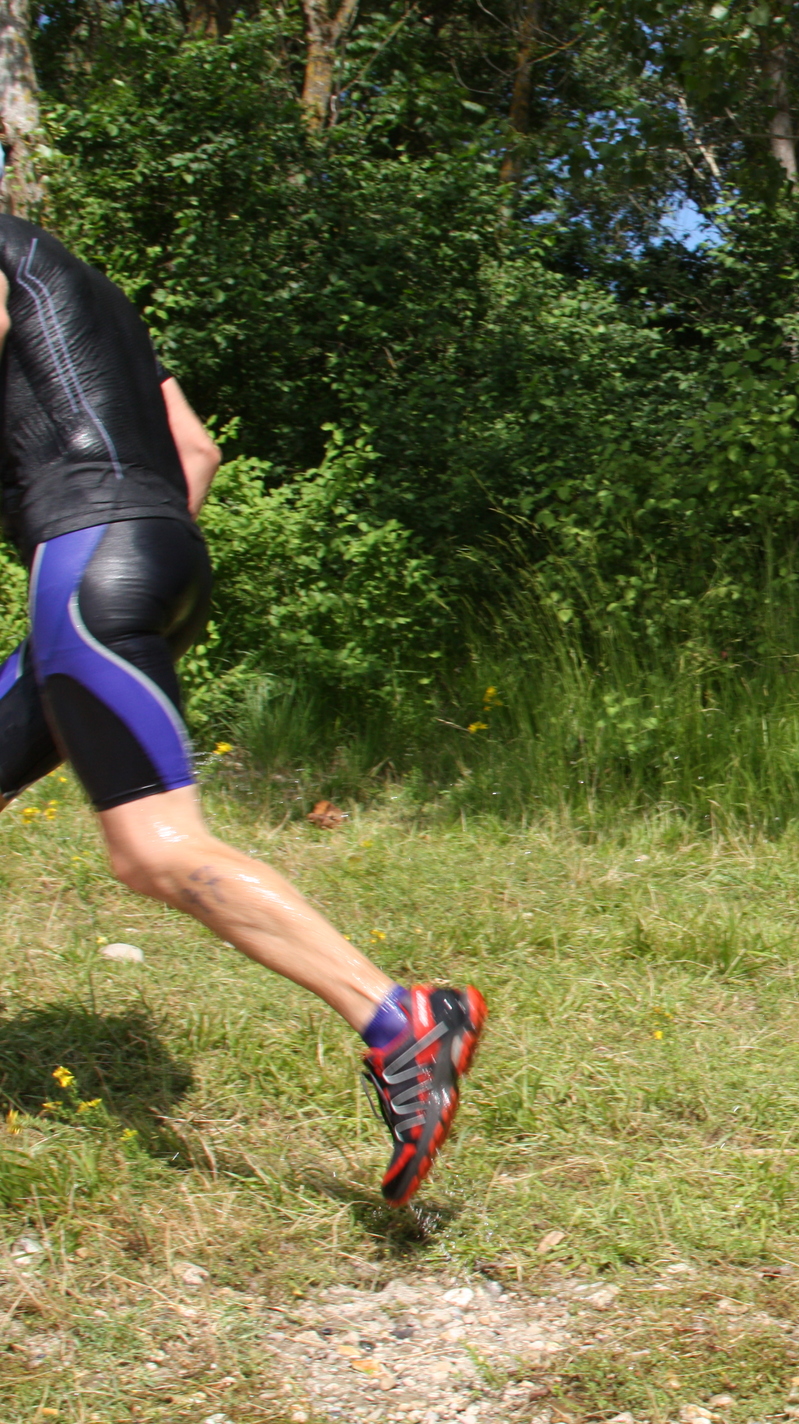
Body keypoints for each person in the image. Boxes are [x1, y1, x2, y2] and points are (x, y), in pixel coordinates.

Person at [0, 215, 484, 1206]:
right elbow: (198, 448)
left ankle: (399, 1015)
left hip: (89, 563)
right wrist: (131, 552)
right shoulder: (89, 288)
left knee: (154, 848)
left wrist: (92, 554)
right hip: (160, 556)